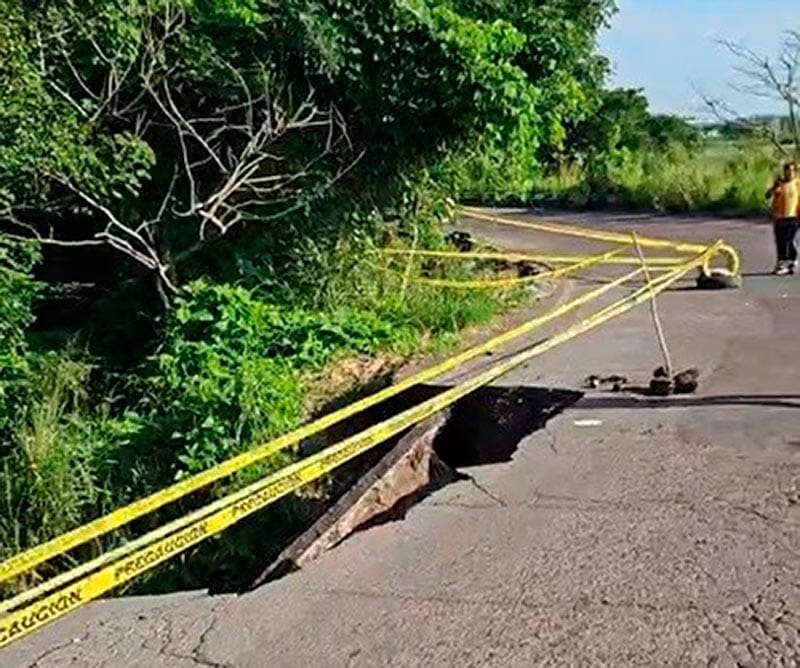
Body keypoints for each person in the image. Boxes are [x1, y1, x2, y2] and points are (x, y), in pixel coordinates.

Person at [766, 161, 800, 276]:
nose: (789, 173)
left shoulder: (797, 184)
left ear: (795, 172)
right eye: (787, 171)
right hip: (779, 218)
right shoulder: (779, 184)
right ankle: (782, 262)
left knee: (791, 240)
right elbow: (768, 195)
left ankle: (792, 261)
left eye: (791, 171)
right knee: (781, 242)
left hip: (793, 217)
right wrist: (773, 188)